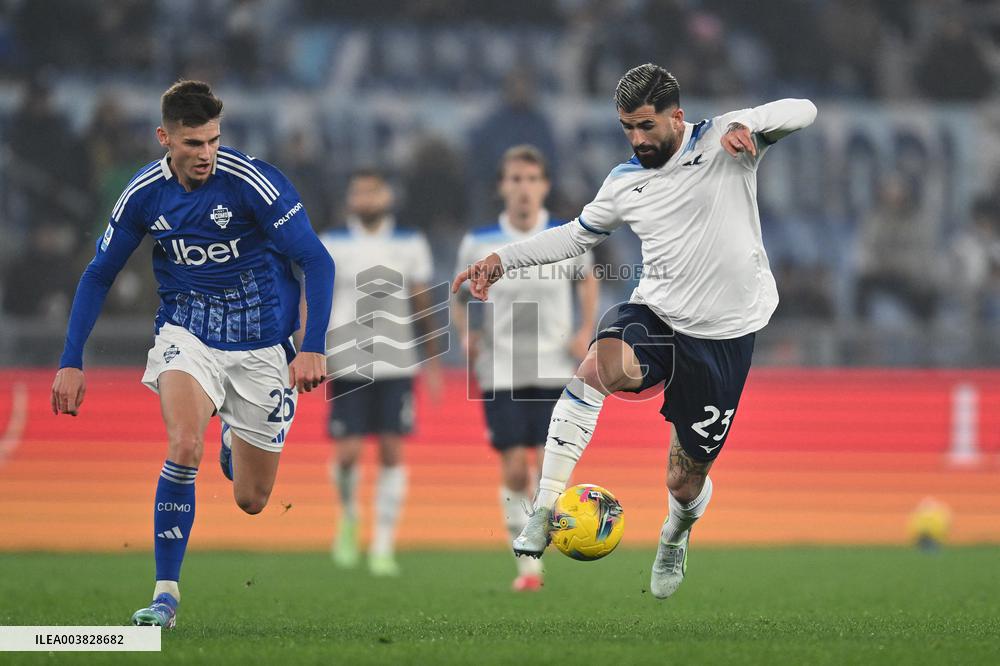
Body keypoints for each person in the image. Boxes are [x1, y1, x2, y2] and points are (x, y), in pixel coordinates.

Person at [453, 64, 816, 599]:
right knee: (600, 366)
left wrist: (754, 127)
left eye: (646, 126)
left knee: (683, 481)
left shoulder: (726, 137)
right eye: (628, 127)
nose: (637, 139)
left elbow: (804, 110)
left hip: (726, 335)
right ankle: (546, 505)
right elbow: (574, 238)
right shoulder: (624, 183)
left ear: (678, 116)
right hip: (658, 316)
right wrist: (501, 261)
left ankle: (674, 533)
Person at [50, 80, 334, 627]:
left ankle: (235, 435)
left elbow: (316, 262)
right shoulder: (143, 195)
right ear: (165, 139)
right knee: (183, 445)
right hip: (189, 334)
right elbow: (99, 273)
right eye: (192, 143)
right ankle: (165, 596)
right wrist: (70, 358)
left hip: (263, 347)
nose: (205, 154)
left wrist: (313, 346)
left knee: (252, 499)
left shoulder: (254, 182)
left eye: (213, 141)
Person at [453, 145, 598, 592]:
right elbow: (457, 295)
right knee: (517, 469)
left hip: (555, 365)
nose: (523, 188)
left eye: (531, 179)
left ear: (544, 186)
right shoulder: (479, 241)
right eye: (515, 179)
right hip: (502, 369)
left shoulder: (564, 236)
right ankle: (529, 568)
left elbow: (587, 280)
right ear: (502, 187)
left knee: (551, 468)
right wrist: (466, 334)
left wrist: (585, 330)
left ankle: (548, 535)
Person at [320, 168, 441, 576]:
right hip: (346, 357)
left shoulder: (409, 242)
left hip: (397, 360)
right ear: (350, 199)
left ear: (387, 195)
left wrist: (434, 358)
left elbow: (421, 300)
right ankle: (349, 516)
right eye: (359, 192)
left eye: (373, 191)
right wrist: (308, 349)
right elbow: (316, 298)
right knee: (348, 452)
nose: (366, 198)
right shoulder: (332, 242)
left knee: (392, 449)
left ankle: (384, 544)